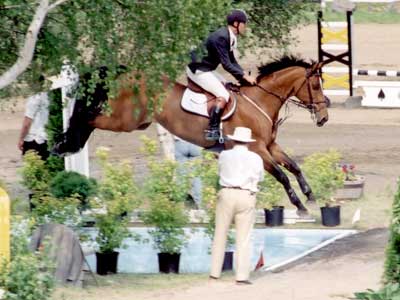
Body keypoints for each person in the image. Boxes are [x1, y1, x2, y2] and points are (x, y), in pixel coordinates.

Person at [187, 9, 257, 141]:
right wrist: (244, 76)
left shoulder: (229, 36)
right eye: (244, 24)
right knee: (223, 95)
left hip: (207, 68)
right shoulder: (222, 37)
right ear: (236, 23)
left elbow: (232, 61)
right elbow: (226, 64)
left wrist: (241, 77)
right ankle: (212, 130)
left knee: (227, 86)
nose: (245, 27)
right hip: (198, 69)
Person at [209, 127, 264, 285]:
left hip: (227, 193)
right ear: (247, 142)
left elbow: (220, 171)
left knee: (220, 234)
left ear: (234, 140)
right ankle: (241, 276)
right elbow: (260, 177)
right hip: (246, 194)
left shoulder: (224, 155)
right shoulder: (255, 157)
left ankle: (214, 273)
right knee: (244, 238)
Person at [17, 78, 50, 160]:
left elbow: (27, 123)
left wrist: (21, 139)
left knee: (32, 167)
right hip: (46, 137)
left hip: (34, 139)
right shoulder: (48, 96)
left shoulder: (33, 99)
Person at [174, 136, 203, 207]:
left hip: (180, 142)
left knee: (181, 175)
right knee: (197, 176)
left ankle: (179, 206)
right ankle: (199, 205)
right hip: (196, 142)